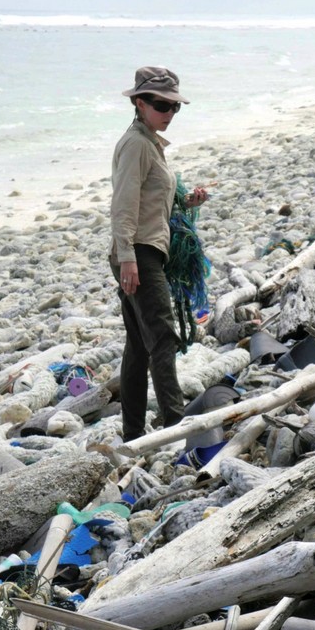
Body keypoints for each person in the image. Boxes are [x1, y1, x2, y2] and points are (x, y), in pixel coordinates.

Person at [109, 66, 208, 441]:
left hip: (146, 249)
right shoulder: (136, 144)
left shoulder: (149, 141)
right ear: (139, 103)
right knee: (163, 337)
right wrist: (128, 257)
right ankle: (176, 427)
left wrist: (186, 200)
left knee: (139, 346)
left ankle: (133, 433)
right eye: (161, 105)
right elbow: (123, 205)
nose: (168, 113)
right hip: (139, 253)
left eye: (174, 107)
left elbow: (152, 200)